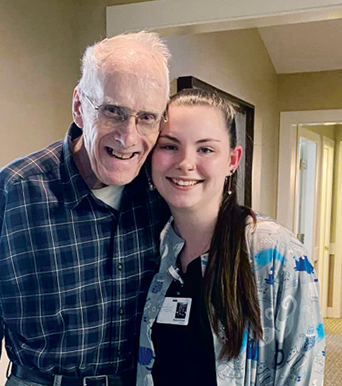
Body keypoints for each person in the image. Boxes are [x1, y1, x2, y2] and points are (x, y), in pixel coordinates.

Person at [0, 31, 171, 386]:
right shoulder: (16, 193)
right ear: (80, 106)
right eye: (113, 111)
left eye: (146, 118)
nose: (128, 137)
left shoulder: (161, 195)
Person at [137, 88, 325, 386]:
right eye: (170, 146)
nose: (185, 163)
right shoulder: (153, 250)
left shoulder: (274, 252)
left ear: (232, 160)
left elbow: (301, 370)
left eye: (205, 149)